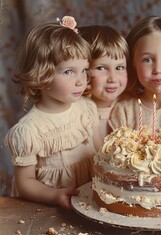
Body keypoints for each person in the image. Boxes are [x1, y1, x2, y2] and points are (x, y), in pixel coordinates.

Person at [4, 16, 102, 209]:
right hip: (50, 208)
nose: (81, 80)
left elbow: (99, 152)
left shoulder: (86, 109)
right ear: (42, 74)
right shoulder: (29, 131)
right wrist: (54, 196)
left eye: (83, 70)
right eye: (68, 72)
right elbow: (25, 183)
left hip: (91, 202)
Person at [80, 25, 128, 138]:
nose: (113, 78)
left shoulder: (130, 107)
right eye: (101, 68)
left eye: (119, 68)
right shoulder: (77, 112)